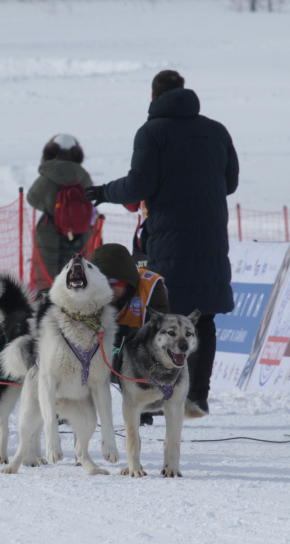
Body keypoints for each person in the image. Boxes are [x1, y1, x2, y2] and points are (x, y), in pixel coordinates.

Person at [85, 70, 239, 416]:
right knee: (204, 319)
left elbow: (138, 185)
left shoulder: (152, 132)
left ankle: (153, 397)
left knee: (159, 320)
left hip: (170, 239)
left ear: (153, 97)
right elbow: (229, 183)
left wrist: (104, 192)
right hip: (212, 238)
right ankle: (196, 396)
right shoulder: (216, 131)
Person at [89, 242, 181, 424]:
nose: (107, 289)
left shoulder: (150, 288)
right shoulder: (85, 290)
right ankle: (69, 407)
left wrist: (125, 334)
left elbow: (163, 334)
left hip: (132, 352)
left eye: (113, 283)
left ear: (127, 281)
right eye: (101, 283)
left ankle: (144, 404)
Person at [27, 134, 95, 292]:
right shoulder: (83, 175)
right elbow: (90, 199)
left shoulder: (48, 175)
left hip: (49, 233)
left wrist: (51, 209)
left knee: (49, 286)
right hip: (81, 234)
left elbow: (32, 198)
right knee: (77, 283)